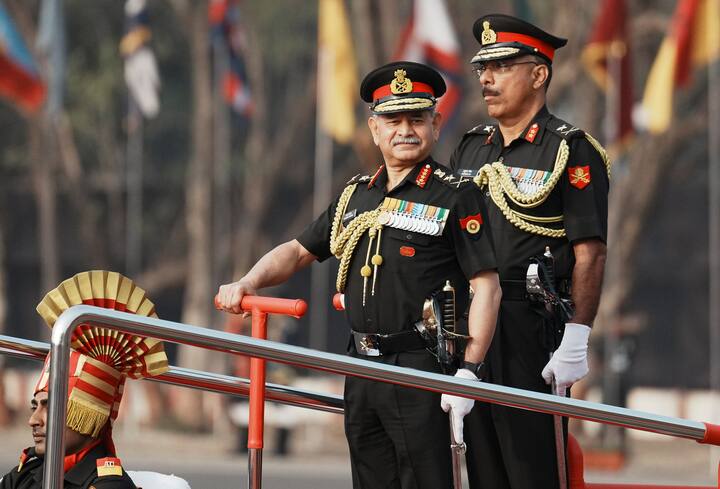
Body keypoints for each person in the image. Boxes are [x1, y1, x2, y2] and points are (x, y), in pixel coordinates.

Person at [217, 61, 501, 489]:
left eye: (416, 119)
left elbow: (487, 289)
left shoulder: (456, 195)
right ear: (374, 128)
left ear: (436, 125)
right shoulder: (356, 194)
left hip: (420, 367)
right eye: (392, 119)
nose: (404, 129)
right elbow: (297, 251)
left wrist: (469, 373)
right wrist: (248, 282)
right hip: (361, 365)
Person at [445, 14, 610, 489]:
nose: (486, 80)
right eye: (482, 69)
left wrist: (577, 335)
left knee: (531, 467)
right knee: (481, 467)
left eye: (501, 67)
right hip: (473, 325)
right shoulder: (473, 147)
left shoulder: (569, 149)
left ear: (539, 74)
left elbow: (590, 253)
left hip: (531, 326)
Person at [0, 271, 170, 489]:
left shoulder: (109, 486)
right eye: (35, 406)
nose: (33, 420)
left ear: (90, 416)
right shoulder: (27, 474)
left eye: (48, 406)